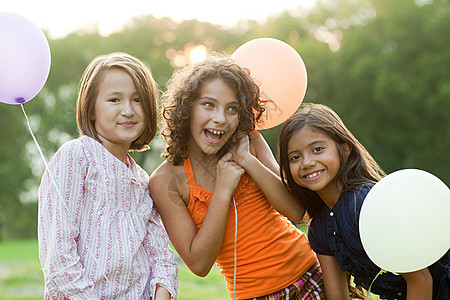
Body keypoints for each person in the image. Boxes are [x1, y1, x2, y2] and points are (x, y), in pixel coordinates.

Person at [149, 55, 326, 300]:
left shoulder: (249, 140)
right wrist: (222, 190)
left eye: (232, 108)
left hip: (310, 276)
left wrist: (248, 161)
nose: (220, 118)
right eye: (209, 105)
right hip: (252, 295)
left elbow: (296, 211)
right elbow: (199, 265)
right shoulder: (166, 180)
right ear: (186, 108)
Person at [38, 52, 179, 300]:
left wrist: (163, 293)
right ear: (91, 109)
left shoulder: (142, 180)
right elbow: (59, 258)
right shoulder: (76, 157)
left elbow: (161, 255)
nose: (128, 110)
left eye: (137, 100)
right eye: (114, 100)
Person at [278, 103, 449, 300]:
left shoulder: (366, 203)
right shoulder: (320, 227)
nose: (306, 162)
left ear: (345, 150)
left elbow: (420, 279)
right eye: (295, 157)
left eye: (317, 149)